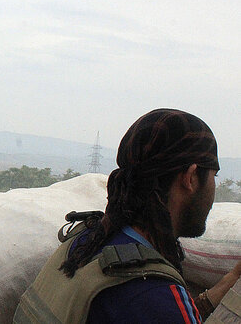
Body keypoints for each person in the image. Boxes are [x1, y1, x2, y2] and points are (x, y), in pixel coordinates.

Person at [14, 108, 241, 323]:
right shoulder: (151, 294)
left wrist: (230, 281)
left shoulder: (86, 239)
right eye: (214, 175)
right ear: (190, 177)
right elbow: (153, 309)